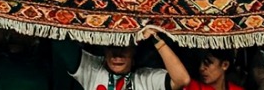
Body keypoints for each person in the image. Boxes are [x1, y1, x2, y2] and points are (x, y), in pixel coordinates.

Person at [52, 28, 190, 90]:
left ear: (134, 50)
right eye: (112, 47)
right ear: (104, 49)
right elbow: (59, 40)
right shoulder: (92, 69)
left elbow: (182, 79)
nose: (117, 56)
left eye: (124, 48)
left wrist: (155, 37)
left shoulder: (147, 78)